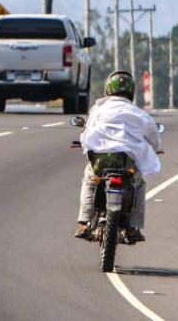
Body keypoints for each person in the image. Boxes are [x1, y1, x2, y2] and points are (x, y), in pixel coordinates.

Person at [74, 70, 163, 243]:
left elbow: (86, 134)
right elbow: (154, 135)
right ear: (131, 92)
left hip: (100, 164)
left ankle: (84, 223)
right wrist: (158, 148)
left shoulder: (97, 110)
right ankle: (133, 227)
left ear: (108, 90)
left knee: (89, 180)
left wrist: (85, 145)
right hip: (127, 165)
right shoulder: (139, 113)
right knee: (139, 185)